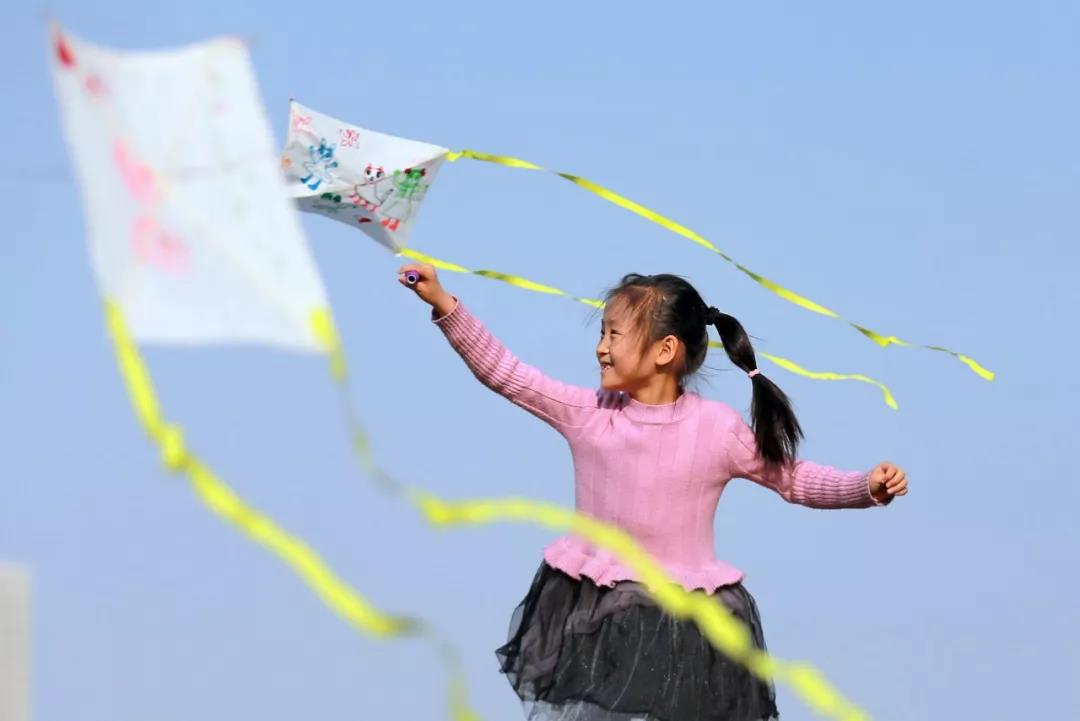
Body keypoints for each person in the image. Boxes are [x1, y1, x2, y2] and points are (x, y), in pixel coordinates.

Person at [399, 265, 909, 721]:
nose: (601, 347)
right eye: (602, 333)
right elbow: (506, 374)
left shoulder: (716, 429)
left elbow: (792, 478)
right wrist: (444, 304)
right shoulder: (590, 414)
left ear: (665, 350)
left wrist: (864, 486)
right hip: (599, 613)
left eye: (614, 334)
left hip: (686, 625)